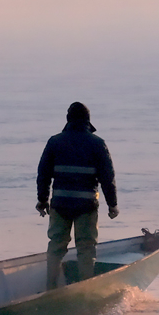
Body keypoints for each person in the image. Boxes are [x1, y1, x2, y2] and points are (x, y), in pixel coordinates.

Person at [36, 101, 118, 286]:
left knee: (56, 246)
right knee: (86, 248)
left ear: (67, 120)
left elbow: (43, 174)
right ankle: (85, 289)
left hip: (60, 205)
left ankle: (51, 287)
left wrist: (42, 200)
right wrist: (112, 205)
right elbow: (108, 177)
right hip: (86, 206)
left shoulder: (54, 142)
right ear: (88, 121)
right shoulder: (97, 144)